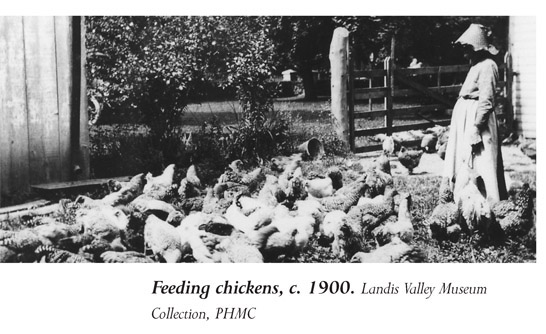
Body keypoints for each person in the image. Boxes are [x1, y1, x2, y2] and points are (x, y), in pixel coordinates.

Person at [442, 23, 507, 203]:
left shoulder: (488, 66)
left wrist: (477, 127)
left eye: (468, 49)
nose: (465, 54)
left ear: (477, 49)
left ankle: (487, 204)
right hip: (467, 119)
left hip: (478, 121)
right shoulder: (477, 65)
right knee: (465, 161)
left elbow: (486, 100)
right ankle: (464, 201)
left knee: (481, 162)